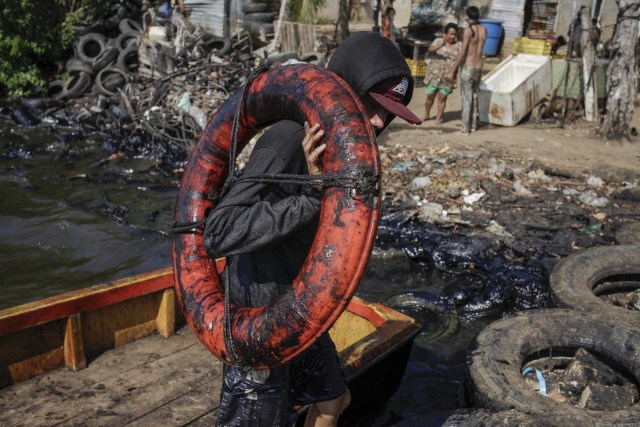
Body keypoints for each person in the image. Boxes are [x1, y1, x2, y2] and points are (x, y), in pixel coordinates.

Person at [203, 32, 421, 427]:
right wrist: (307, 198)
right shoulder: (287, 138)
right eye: (374, 105)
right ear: (346, 88)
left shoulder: (341, 154)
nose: (377, 121)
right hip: (258, 313)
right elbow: (219, 231)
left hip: (299, 304)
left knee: (335, 397)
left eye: (388, 113)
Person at [447, 6, 486, 135]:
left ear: (468, 17)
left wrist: (452, 70)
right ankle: (473, 126)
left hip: (468, 67)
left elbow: (462, 53)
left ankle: (465, 128)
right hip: (479, 67)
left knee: (467, 98)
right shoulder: (484, 29)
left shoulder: (469, 31)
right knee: (474, 97)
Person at [422, 23, 461, 123]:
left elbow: (459, 60)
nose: (453, 37)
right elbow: (430, 50)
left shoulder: (459, 46)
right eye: (450, 34)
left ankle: (438, 118)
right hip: (434, 75)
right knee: (430, 96)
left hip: (448, 77)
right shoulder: (438, 41)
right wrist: (441, 44)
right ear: (445, 34)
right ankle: (426, 114)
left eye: (454, 34)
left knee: (442, 98)